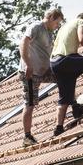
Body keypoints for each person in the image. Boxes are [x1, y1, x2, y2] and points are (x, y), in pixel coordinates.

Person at [19, 8, 64, 146]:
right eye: (57, 22)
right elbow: (23, 43)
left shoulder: (49, 33)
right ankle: (27, 137)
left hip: (43, 71)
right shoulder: (36, 27)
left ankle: (73, 104)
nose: (58, 26)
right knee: (30, 103)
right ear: (51, 18)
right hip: (31, 73)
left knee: (64, 77)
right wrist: (27, 64)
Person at [50, 12, 83, 136]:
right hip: (65, 59)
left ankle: (59, 127)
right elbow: (82, 39)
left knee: (64, 96)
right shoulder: (81, 22)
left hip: (55, 62)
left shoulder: (64, 27)